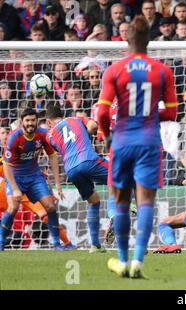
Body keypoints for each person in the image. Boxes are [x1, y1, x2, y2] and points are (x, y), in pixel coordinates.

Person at [96, 15, 178, 278]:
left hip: (121, 141)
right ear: (149, 40)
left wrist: (108, 134)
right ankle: (138, 262)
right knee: (145, 202)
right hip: (149, 142)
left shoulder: (114, 70)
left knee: (120, 202)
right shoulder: (163, 71)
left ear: (126, 39)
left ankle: (121, 260)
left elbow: (101, 113)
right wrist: (151, 115)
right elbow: (173, 113)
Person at [45, 104, 108, 253]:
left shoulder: (49, 136)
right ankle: (118, 214)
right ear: (62, 113)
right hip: (88, 159)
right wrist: (87, 135)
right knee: (122, 177)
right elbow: (93, 126)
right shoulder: (75, 118)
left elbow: (62, 147)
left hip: (71, 170)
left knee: (94, 201)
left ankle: (95, 245)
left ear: (49, 122)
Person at [0, 108, 64, 251]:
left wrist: (57, 183)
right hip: (15, 176)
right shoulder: (14, 138)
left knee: (50, 207)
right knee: (13, 207)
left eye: (33, 120)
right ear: (22, 121)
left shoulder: (42, 135)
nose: (30, 123)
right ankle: (1, 242)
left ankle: (56, 243)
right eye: (27, 120)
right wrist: (15, 188)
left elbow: (52, 156)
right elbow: (6, 165)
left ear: (36, 121)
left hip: (34, 176)